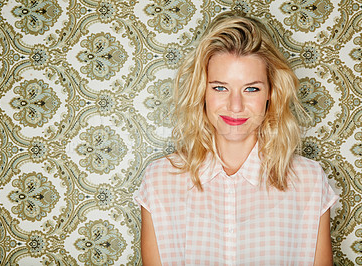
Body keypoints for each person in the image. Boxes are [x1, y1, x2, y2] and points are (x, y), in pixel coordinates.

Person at [135, 12, 338, 265]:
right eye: (220, 87)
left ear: (270, 93)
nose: (235, 105)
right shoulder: (160, 180)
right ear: (202, 91)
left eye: (251, 88)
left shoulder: (309, 180)